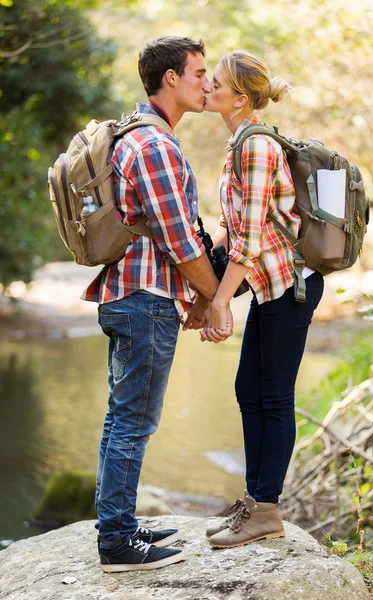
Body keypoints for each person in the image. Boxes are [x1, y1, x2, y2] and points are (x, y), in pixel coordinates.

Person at [82, 36, 231, 572]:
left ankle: (117, 523)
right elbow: (180, 241)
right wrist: (217, 300)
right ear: (170, 78)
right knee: (133, 422)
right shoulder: (155, 146)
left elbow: (172, 236)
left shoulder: (142, 137)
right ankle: (118, 543)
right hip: (143, 300)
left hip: (132, 295)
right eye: (198, 72)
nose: (206, 82)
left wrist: (196, 296)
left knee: (122, 418)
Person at [200, 50, 324, 548]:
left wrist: (220, 302)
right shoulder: (239, 142)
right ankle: (253, 501)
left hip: (290, 288)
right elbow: (234, 233)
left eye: (216, 82)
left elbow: (249, 241)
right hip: (272, 287)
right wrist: (203, 284)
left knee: (272, 396)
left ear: (240, 97)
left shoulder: (255, 146)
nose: (207, 86)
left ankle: (266, 509)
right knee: (247, 389)